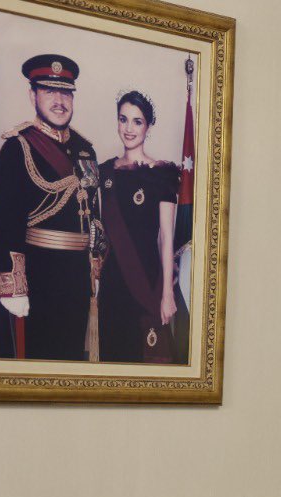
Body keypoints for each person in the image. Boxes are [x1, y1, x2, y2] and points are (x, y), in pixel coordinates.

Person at [0, 54, 103, 360]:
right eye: (49, 91)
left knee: (69, 361)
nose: (59, 101)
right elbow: (4, 222)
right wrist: (13, 286)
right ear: (33, 96)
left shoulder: (85, 149)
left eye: (65, 93)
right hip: (38, 277)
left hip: (76, 278)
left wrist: (95, 268)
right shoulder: (18, 147)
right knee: (37, 362)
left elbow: (94, 215)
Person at [97, 90, 181, 363]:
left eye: (137, 121)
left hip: (147, 280)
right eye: (123, 119)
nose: (129, 128)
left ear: (148, 126)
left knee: (146, 358)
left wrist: (167, 293)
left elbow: (166, 238)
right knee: (114, 356)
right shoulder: (104, 172)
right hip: (112, 281)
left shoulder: (163, 174)